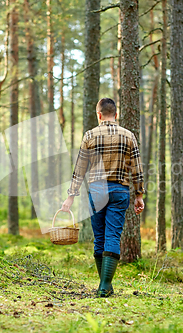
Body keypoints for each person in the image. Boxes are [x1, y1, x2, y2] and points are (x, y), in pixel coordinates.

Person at [61, 97, 145, 297]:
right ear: (116, 114)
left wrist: (71, 197)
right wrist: (139, 195)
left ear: (99, 114)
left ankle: (104, 285)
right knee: (112, 237)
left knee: (99, 238)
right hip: (120, 191)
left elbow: (80, 168)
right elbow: (137, 168)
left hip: (97, 191)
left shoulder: (90, 135)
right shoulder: (128, 135)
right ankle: (105, 285)